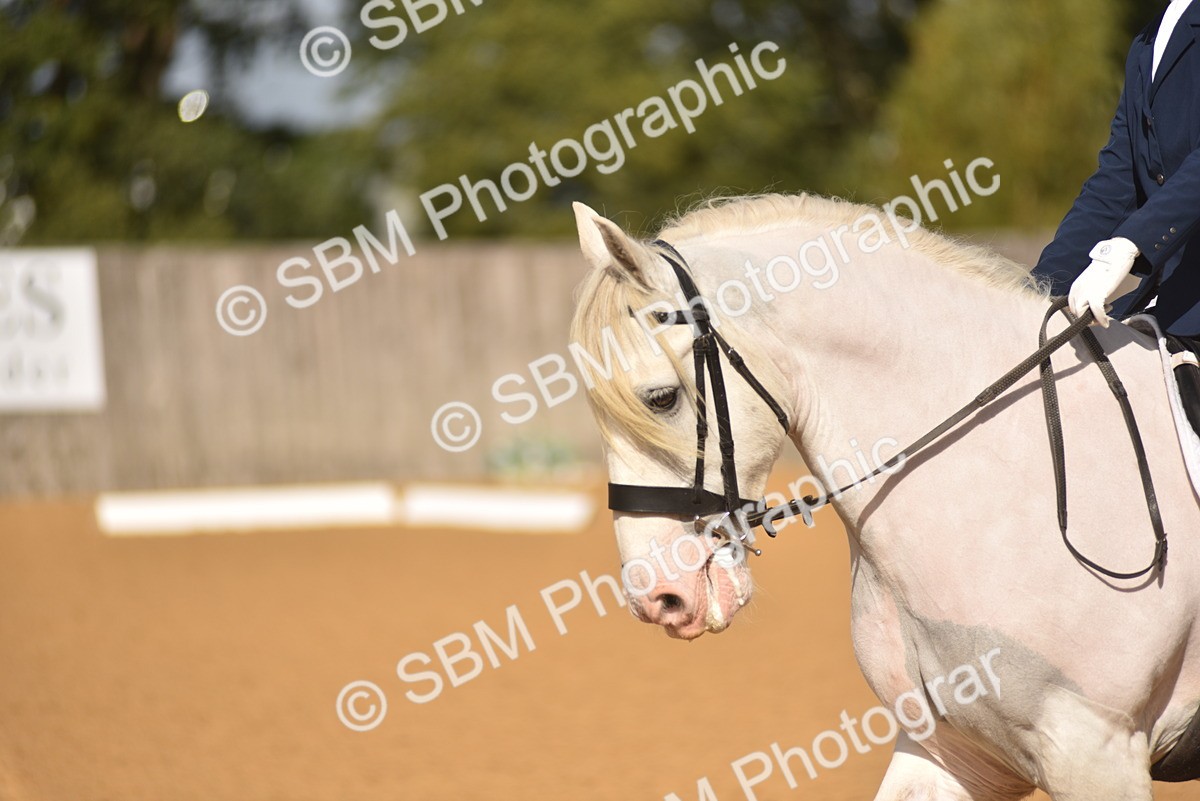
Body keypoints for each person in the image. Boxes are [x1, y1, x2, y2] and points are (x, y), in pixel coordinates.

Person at [1033, 0, 1200, 357]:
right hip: (1167, 302)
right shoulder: (1147, 43)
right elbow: (1117, 182)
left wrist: (1131, 242)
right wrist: (1038, 289)